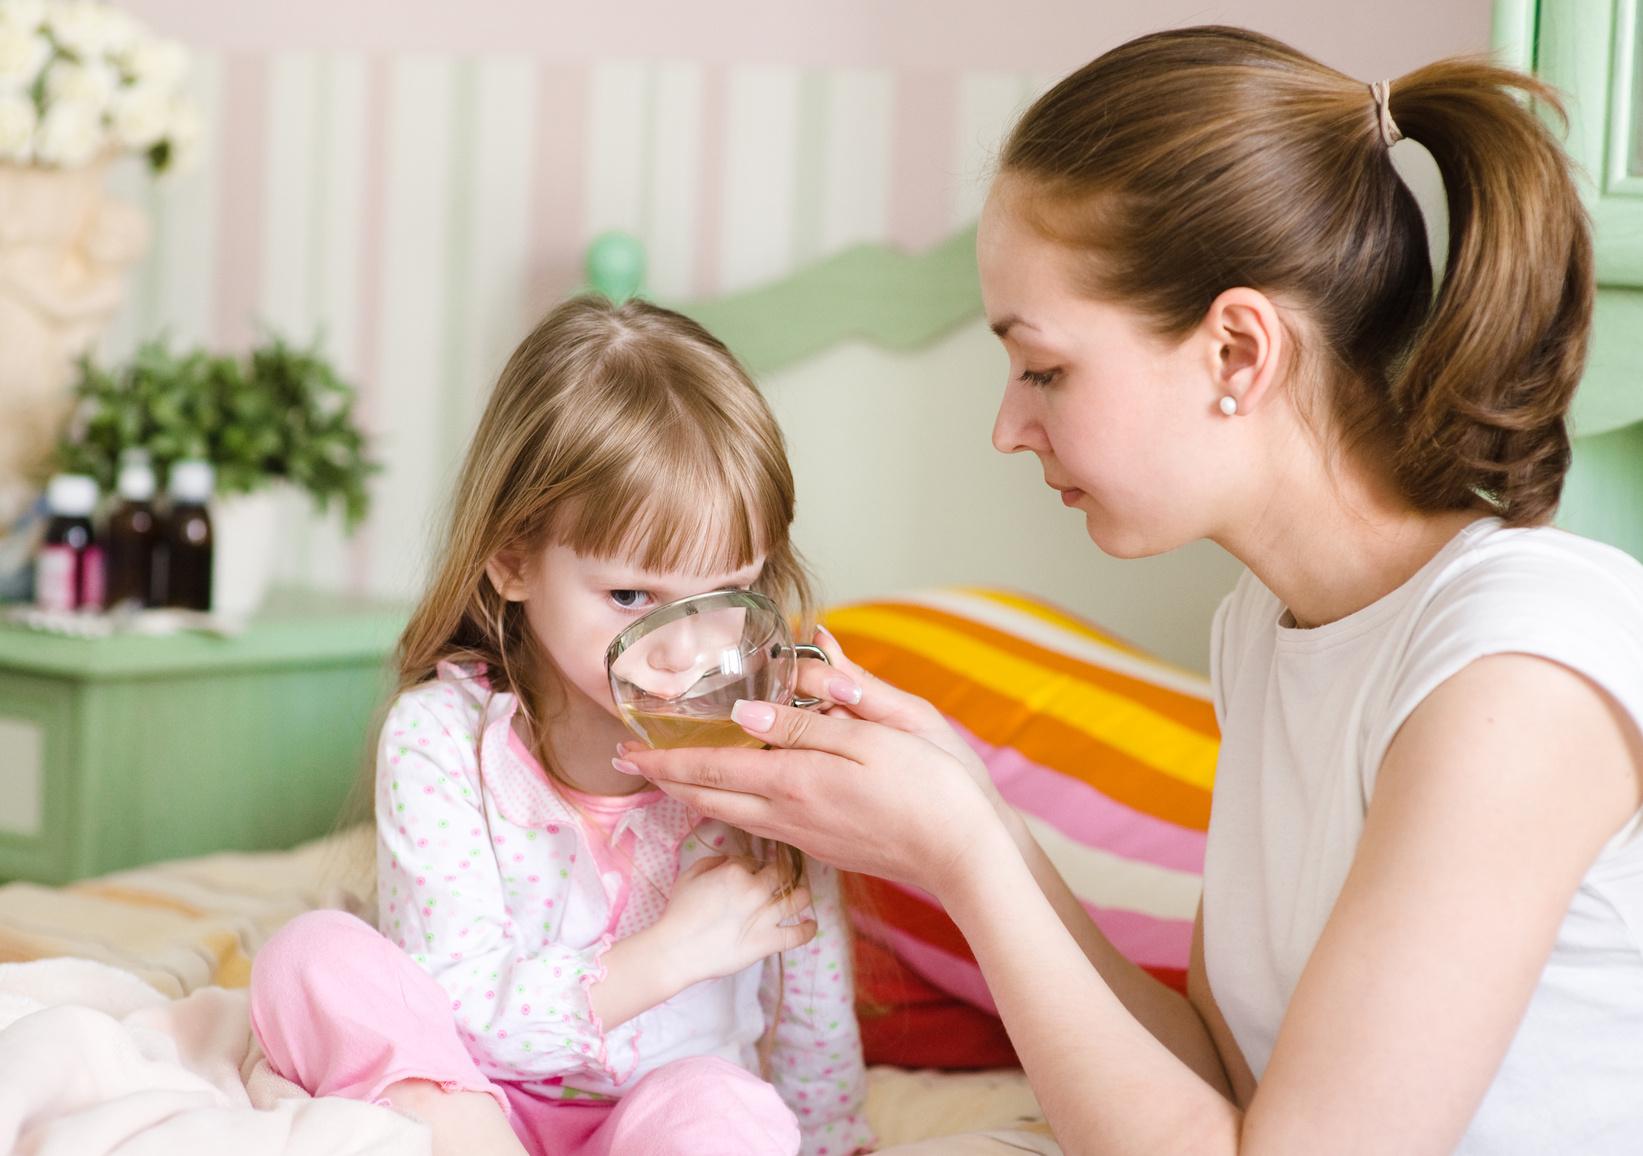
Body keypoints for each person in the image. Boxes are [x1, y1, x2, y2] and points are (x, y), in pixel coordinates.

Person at [618, 26, 1643, 1156]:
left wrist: (964, 858)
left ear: (1236, 353)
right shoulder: (1266, 627)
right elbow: (1208, 1068)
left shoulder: (1512, 672)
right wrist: (986, 829)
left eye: (1044, 368)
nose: (1009, 428)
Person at [248, 296, 872, 1156]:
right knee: (309, 956)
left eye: (724, 595)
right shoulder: (440, 739)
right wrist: (669, 954)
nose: (683, 651)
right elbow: (453, 1005)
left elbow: (811, 977)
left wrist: (835, 1136)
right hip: (469, 1099)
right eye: (630, 597)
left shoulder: (760, 748)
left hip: (661, 1112)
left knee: (737, 1112)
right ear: (512, 559)